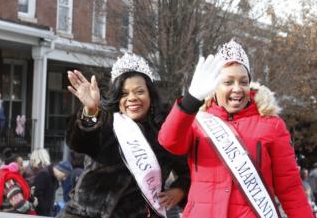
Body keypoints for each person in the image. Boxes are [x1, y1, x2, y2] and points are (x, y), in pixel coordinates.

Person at [158, 39, 314, 218]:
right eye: (228, 82)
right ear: (215, 86)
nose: (237, 89)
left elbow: (290, 189)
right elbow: (169, 141)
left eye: (243, 81)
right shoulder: (196, 121)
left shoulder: (271, 124)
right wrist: (191, 100)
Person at [58, 53, 190, 218]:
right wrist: (90, 111)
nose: (132, 98)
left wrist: (179, 190)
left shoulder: (165, 131)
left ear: (150, 95)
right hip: (85, 214)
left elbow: (189, 171)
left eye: (139, 91)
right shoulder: (106, 121)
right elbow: (78, 142)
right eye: (124, 93)